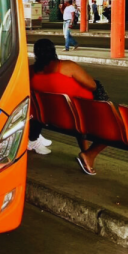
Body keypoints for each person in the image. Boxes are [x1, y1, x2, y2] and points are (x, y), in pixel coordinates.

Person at [29, 39, 106, 175]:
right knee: (114, 126)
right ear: (53, 51)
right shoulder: (67, 67)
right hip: (80, 116)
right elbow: (92, 85)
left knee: (75, 113)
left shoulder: (31, 71)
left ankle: (84, 152)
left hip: (54, 117)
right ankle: (89, 155)